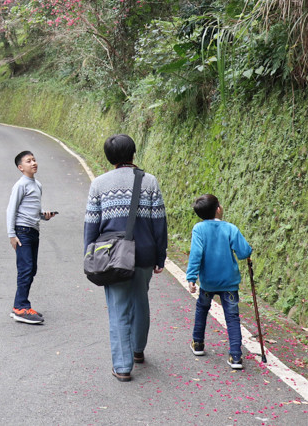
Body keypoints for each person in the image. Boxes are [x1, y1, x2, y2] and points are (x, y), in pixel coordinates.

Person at [84, 134, 167, 382]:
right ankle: (138, 350)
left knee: (118, 308)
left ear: (109, 158)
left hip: (112, 255)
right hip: (143, 252)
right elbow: (159, 222)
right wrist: (160, 256)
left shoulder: (98, 184)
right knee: (140, 300)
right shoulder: (149, 181)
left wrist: (89, 255)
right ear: (133, 153)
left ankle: (122, 366)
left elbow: (91, 224)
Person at [185, 194, 253, 370]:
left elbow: (196, 255)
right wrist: (247, 249)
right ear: (218, 209)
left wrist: (192, 277)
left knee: (202, 309)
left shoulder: (198, 229)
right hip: (229, 282)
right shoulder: (230, 228)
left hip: (208, 282)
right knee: (232, 317)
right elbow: (244, 252)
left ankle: (198, 343)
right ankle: (236, 356)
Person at [6, 150, 56, 324]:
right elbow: (11, 210)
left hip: (34, 230)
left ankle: (19, 306)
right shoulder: (20, 185)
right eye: (28, 161)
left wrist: (44, 215)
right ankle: (21, 307)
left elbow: (33, 210)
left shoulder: (37, 185)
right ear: (21, 167)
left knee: (31, 269)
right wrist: (11, 234)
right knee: (26, 269)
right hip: (22, 232)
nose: (33, 163)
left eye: (34, 160)